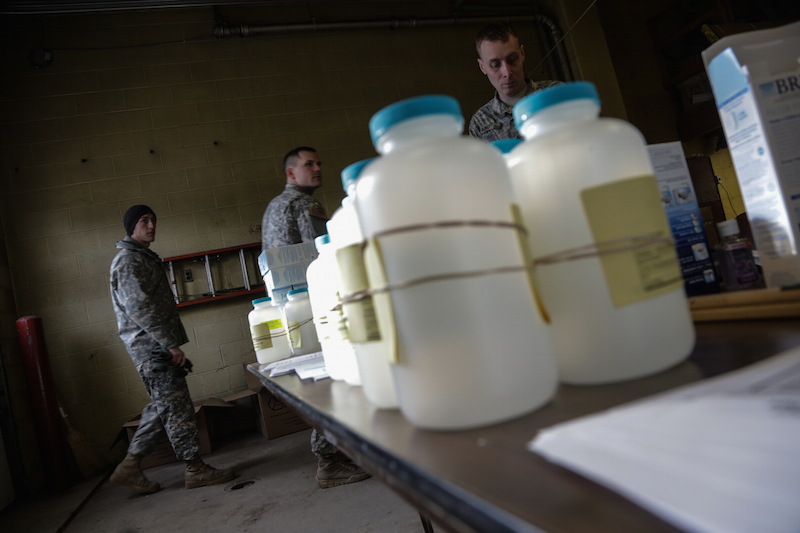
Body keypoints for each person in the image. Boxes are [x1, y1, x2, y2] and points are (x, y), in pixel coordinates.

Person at [262, 147, 371, 489]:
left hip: (288, 303)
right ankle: (329, 459)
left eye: (319, 163)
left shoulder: (274, 207)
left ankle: (335, 452)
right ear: (291, 173)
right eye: (309, 164)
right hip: (312, 299)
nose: (318, 168)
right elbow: (321, 251)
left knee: (319, 376)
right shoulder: (304, 205)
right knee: (331, 373)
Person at [109, 205, 235, 493]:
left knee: (163, 405)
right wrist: (169, 344)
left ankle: (130, 465)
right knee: (177, 407)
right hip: (152, 348)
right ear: (131, 227)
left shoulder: (141, 257)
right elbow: (139, 307)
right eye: (144, 221)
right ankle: (195, 469)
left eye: (153, 220)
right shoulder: (128, 261)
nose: (151, 225)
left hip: (154, 345)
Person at [469, 23, 562, 142]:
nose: (507, 72)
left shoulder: (555, 94)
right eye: (495, 65)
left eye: (512, 60)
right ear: (482, 67)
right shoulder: (481, 122)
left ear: (522, 53)